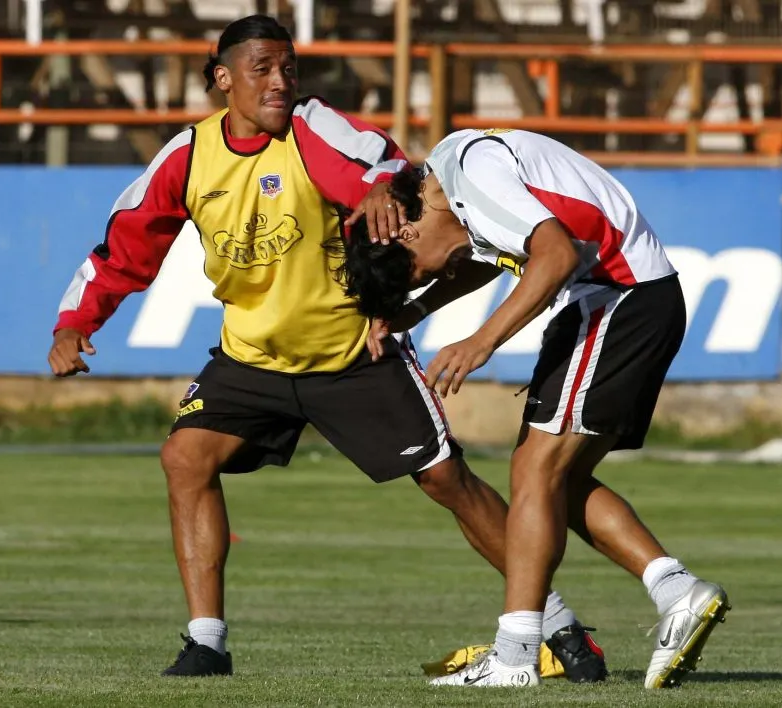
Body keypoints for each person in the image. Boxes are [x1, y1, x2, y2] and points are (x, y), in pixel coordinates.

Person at [46, 16, 602, 681]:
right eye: (262, 69)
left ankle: (561, 628)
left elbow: (391, 168)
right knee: (184, 458)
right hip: (252, 357)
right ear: (222, 79)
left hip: (352, 351)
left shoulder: (313, 129)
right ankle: (206, 644)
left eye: (288, 68)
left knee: (446, 481)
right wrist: (75, 323)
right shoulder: (188, 158)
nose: (279, 82)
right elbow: (125, 243)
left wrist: (378, 187)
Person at [342, 127, 731, 689]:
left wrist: (481, 342)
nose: (440, 272)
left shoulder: (471, 173)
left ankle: (515, 654)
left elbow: (553, 253)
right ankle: (678, 593)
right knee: (559, 482)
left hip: (616, 295)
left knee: (534, 472)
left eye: (422, 270)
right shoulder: (449, 179)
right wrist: (420, 307)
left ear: (405, 229)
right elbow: (490, 251)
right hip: (621, 298)